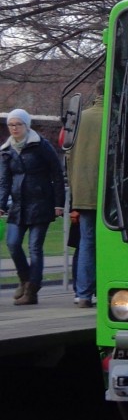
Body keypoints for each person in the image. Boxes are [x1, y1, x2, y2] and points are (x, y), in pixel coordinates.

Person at [0, 109, 65, 306]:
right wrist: (1, 204)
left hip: (41, 203)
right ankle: (25, 279)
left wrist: (58, 203)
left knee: (35, 247)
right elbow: (4, 180)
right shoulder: (7, 150)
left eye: (18, 124)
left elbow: (57, 173)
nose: (14, 128)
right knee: (12, 243)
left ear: (26, 125)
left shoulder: (40, 145)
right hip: (19, 205)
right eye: (11, 125)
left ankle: (32, 290)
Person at [66, 88, 102, 308]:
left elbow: (68, 155)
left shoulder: (80, 118)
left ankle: (83, 294)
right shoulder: (115, 116)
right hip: (110, 193)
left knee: (86, 242)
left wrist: (74, 192)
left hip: (83, 192)